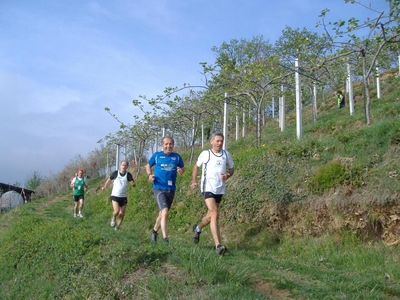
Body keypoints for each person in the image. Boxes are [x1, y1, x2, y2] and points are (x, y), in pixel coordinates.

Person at [190, 133, 234, 255]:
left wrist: (228, 175)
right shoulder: (206, 154)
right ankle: (218, 245)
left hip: (220, 189)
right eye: (217, 141)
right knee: (215, 213)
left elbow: (231, 169)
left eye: (221, 141)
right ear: (211, 142)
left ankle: (198, 228)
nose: (220, 143)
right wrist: (194, 181)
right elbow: (196, 167)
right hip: (207, 187)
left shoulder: (226, 154)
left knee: (210, 216)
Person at [146, 136, 184, 244]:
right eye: (166, 144)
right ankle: (165, 239)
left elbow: (182, 168)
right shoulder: (157, 156)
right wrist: (149, 175)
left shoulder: (176, 157)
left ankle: (154, 232)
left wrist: (181, 171)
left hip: (171, 189)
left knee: (162, 214)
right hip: (158, 188)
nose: (168, 146)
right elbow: (148, 165)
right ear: (162, 145)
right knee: (165, 212)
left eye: (170, 144)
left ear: (173, 145)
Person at [101, 160, 136, 230]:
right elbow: (109, 179)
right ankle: (113, 217)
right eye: (122, 165)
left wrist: (133, 184)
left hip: (123, 196)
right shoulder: (116, 173)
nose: (123, 166)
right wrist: (105, 186)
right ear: (120, 165)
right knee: (116, 211)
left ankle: (117, 228)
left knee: (122, 214)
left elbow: (133, 183)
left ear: (127, 167)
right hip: (115, 195)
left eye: (125, 165)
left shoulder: (128, 175)